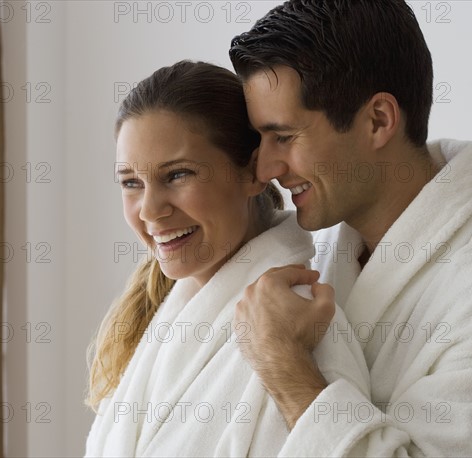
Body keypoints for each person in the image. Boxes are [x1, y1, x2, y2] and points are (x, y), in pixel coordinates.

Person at [229, 0, 472, 456]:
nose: (264, 168)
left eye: (283, 137)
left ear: (378, 120)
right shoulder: (312, 251)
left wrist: (283, 363)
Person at [84, 60, 370, 457]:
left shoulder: (304, 326)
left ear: (254, 171)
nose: (149, 210)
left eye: (178, 174)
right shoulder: (163, 321)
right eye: (131, 182)